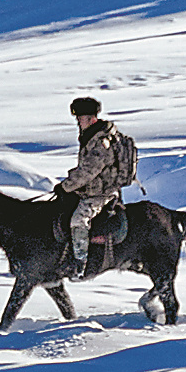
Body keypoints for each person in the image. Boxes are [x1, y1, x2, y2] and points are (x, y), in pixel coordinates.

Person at [55, 95, 137, 279]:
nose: (78, 122)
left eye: (80, 118)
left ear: (92, 118)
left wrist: (66, 186)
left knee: (78, 220)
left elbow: (88, 171)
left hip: (101, 194)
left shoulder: (101, 142)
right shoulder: (91, 137)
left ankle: (80, 264)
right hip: (90, 190)